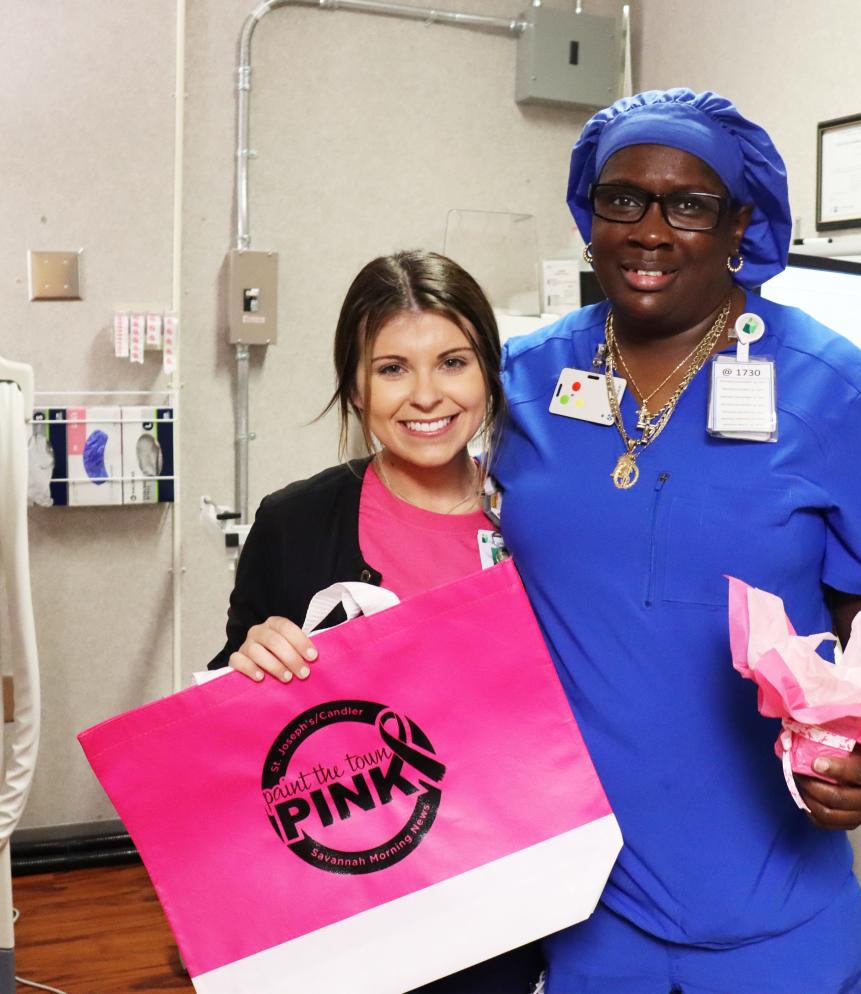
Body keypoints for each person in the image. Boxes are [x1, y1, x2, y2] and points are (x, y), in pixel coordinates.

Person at [493, 89, 861, 993]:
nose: (651, 230)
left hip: (772, 899)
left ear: (741, 225)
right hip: (576, 897)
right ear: (590, 214)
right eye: (624, 198)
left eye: (689, 204)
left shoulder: (835, 391)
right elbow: (420, 542)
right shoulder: (526, 381)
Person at [208, 249, 542, 994]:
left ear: (488, 372)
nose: (426, 395)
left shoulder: (539, 516)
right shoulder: (295, 523)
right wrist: (252, 655)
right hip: (349, 897)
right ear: (355, 389)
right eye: (392, 368)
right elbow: (238, 728)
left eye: (452, 362)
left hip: (513, 891)